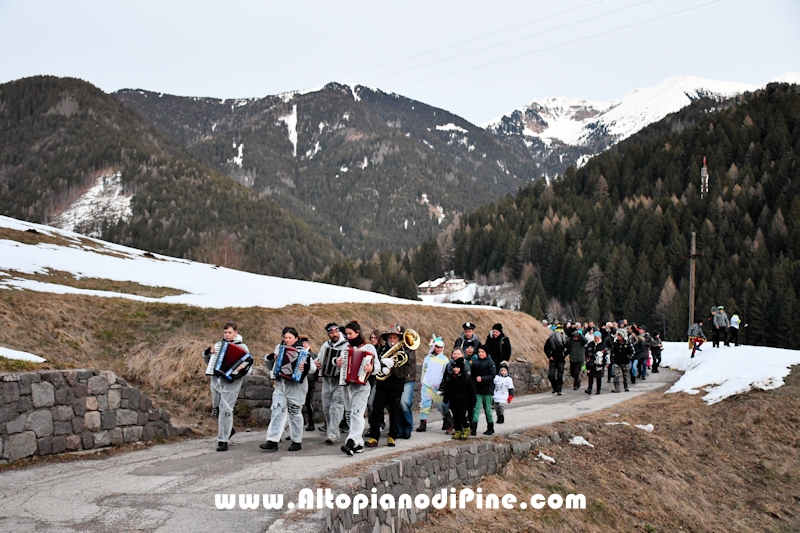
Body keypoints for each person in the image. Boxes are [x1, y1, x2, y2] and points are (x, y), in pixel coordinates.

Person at [261, 327, 316, 452]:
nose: (287, 340)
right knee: (276, 411)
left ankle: (296, 440)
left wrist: (304, 366)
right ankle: (272, 440)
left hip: (296, 387)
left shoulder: (303, 351)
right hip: (281, 385)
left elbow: (312, 368)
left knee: (295, 413)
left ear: (296, 339)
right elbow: (271, 367)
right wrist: (270, 358)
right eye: (285, 337)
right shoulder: (279, 349)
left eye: (290, 338)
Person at [202, 321, 251, 452]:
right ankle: (229, 430)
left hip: (232, 382)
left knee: (226, 409)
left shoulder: (243, 347)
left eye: (230, 332)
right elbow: (209, 361)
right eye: (225, 332)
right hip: (216, 380)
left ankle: (223, 440)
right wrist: (208, 353)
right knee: (217, 409)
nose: (227, 335)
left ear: (236, 333)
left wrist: (241, 369)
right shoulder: (218, 345)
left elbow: (248, 366)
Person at [365, 325, 412, 448]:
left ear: (398, 339)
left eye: (394, 338)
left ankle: (392, 436)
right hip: (382, 386)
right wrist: (381, 362)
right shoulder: (381, 351)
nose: (392, 340)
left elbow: (403, 372)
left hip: (395, 387)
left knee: (394, 412)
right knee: (376, 410)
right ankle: (374, 437)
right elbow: (374, 363)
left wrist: (391, 370)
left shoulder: (404, 354)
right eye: (390, 338)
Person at [338, 322, 376, 456]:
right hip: (348, 386)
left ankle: (351, 441)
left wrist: (371, 369)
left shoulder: (369, 347)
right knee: (350, 414)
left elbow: (377, 366)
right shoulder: (345, 347)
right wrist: (337, 362)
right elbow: (339, 362)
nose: (348, 336)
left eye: (350, 333)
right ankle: (358, 445)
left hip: (362, 385)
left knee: (357, 413)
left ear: (357, 332)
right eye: (346, 334)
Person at [315, 323, 350, 444]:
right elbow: (319, 359)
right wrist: (317, 364)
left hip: (340, 380)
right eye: (331, 332)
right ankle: (331, 429)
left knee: (337, 406)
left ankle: (333, 434)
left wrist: (341, 364)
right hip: (327, 379)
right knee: (326, 407)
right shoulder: (325, 345)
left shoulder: (346, 345)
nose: (334, 334)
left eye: (336, 331)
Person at [416, 337, 449, 432]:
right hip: (427, 385)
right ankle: (423, 423)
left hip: (438, 386)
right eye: (437, 347)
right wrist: (422, 382)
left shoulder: (444, 360)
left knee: (441, 405)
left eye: (440, 347)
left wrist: (444, 386)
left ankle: (445, 419)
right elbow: (424, 370)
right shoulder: (427, 358)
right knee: (424, 404)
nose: (438, 349)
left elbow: (445, 373)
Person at [442, 358, 475, 440]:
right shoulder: (451, 377)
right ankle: (458, 430)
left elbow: (471, 390)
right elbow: (447, 388)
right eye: (454, 367)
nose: (455, 369)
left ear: (461, 368)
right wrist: (446, 397)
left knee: (461, 415)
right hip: (454, 400)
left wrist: (473, 400)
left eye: (457, 367)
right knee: (455, 417)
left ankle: (466, 428)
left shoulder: (466, 377)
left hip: (464, 401)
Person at [439, 348, 469, 434]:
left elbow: (468, 380)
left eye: (458, 354)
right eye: (454, 354)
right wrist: (442, 388)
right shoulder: (449, 365)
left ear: (462, 355)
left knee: (460, 411)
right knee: (444, 405)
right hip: (450, 391)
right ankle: (451, 423)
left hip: (461, 393)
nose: (456, 355)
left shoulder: (465, 366)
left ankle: (459, 427)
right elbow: (445, 378)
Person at [470, 345, 496, 436]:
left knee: (487, 409)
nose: (480, 354)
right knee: (476, 408)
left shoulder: (490, 362)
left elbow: (492, 375)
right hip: (478, 389)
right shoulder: (475, 363)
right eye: (479, 352)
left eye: (482, 352)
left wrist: (483, 378)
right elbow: (472, 375)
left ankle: (490, 427)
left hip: (487, 390)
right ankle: (473, 428)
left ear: (486, 353)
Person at [398, 336, 417, 440]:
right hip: (397, 378)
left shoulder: (410, 348)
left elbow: (409, 360)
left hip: (408, 379)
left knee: (404, 403)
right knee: (397, 404)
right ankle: (399, 429)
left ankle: (408, 428)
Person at [544, 325, 568, 395]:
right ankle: (555, 387)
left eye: (561, 333)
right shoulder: (550, 339)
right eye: (559, 333)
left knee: (560, 376)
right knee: (551, 375)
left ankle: (559, 389)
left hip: (561, 360)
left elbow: (569, 347)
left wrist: (565, 354)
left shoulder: (565, 339)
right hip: (553, 359)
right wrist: (549, 356)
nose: (560, 334)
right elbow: (545, 348)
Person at [300, 337, 318, 431]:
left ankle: (311, 423)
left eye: (306, 342)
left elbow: (316, 370)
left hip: (310, 381)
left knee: (308, 402)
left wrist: (313, 380)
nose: (305, 344)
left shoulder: (312, 355)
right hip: (301, 381)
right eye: (303, 343)